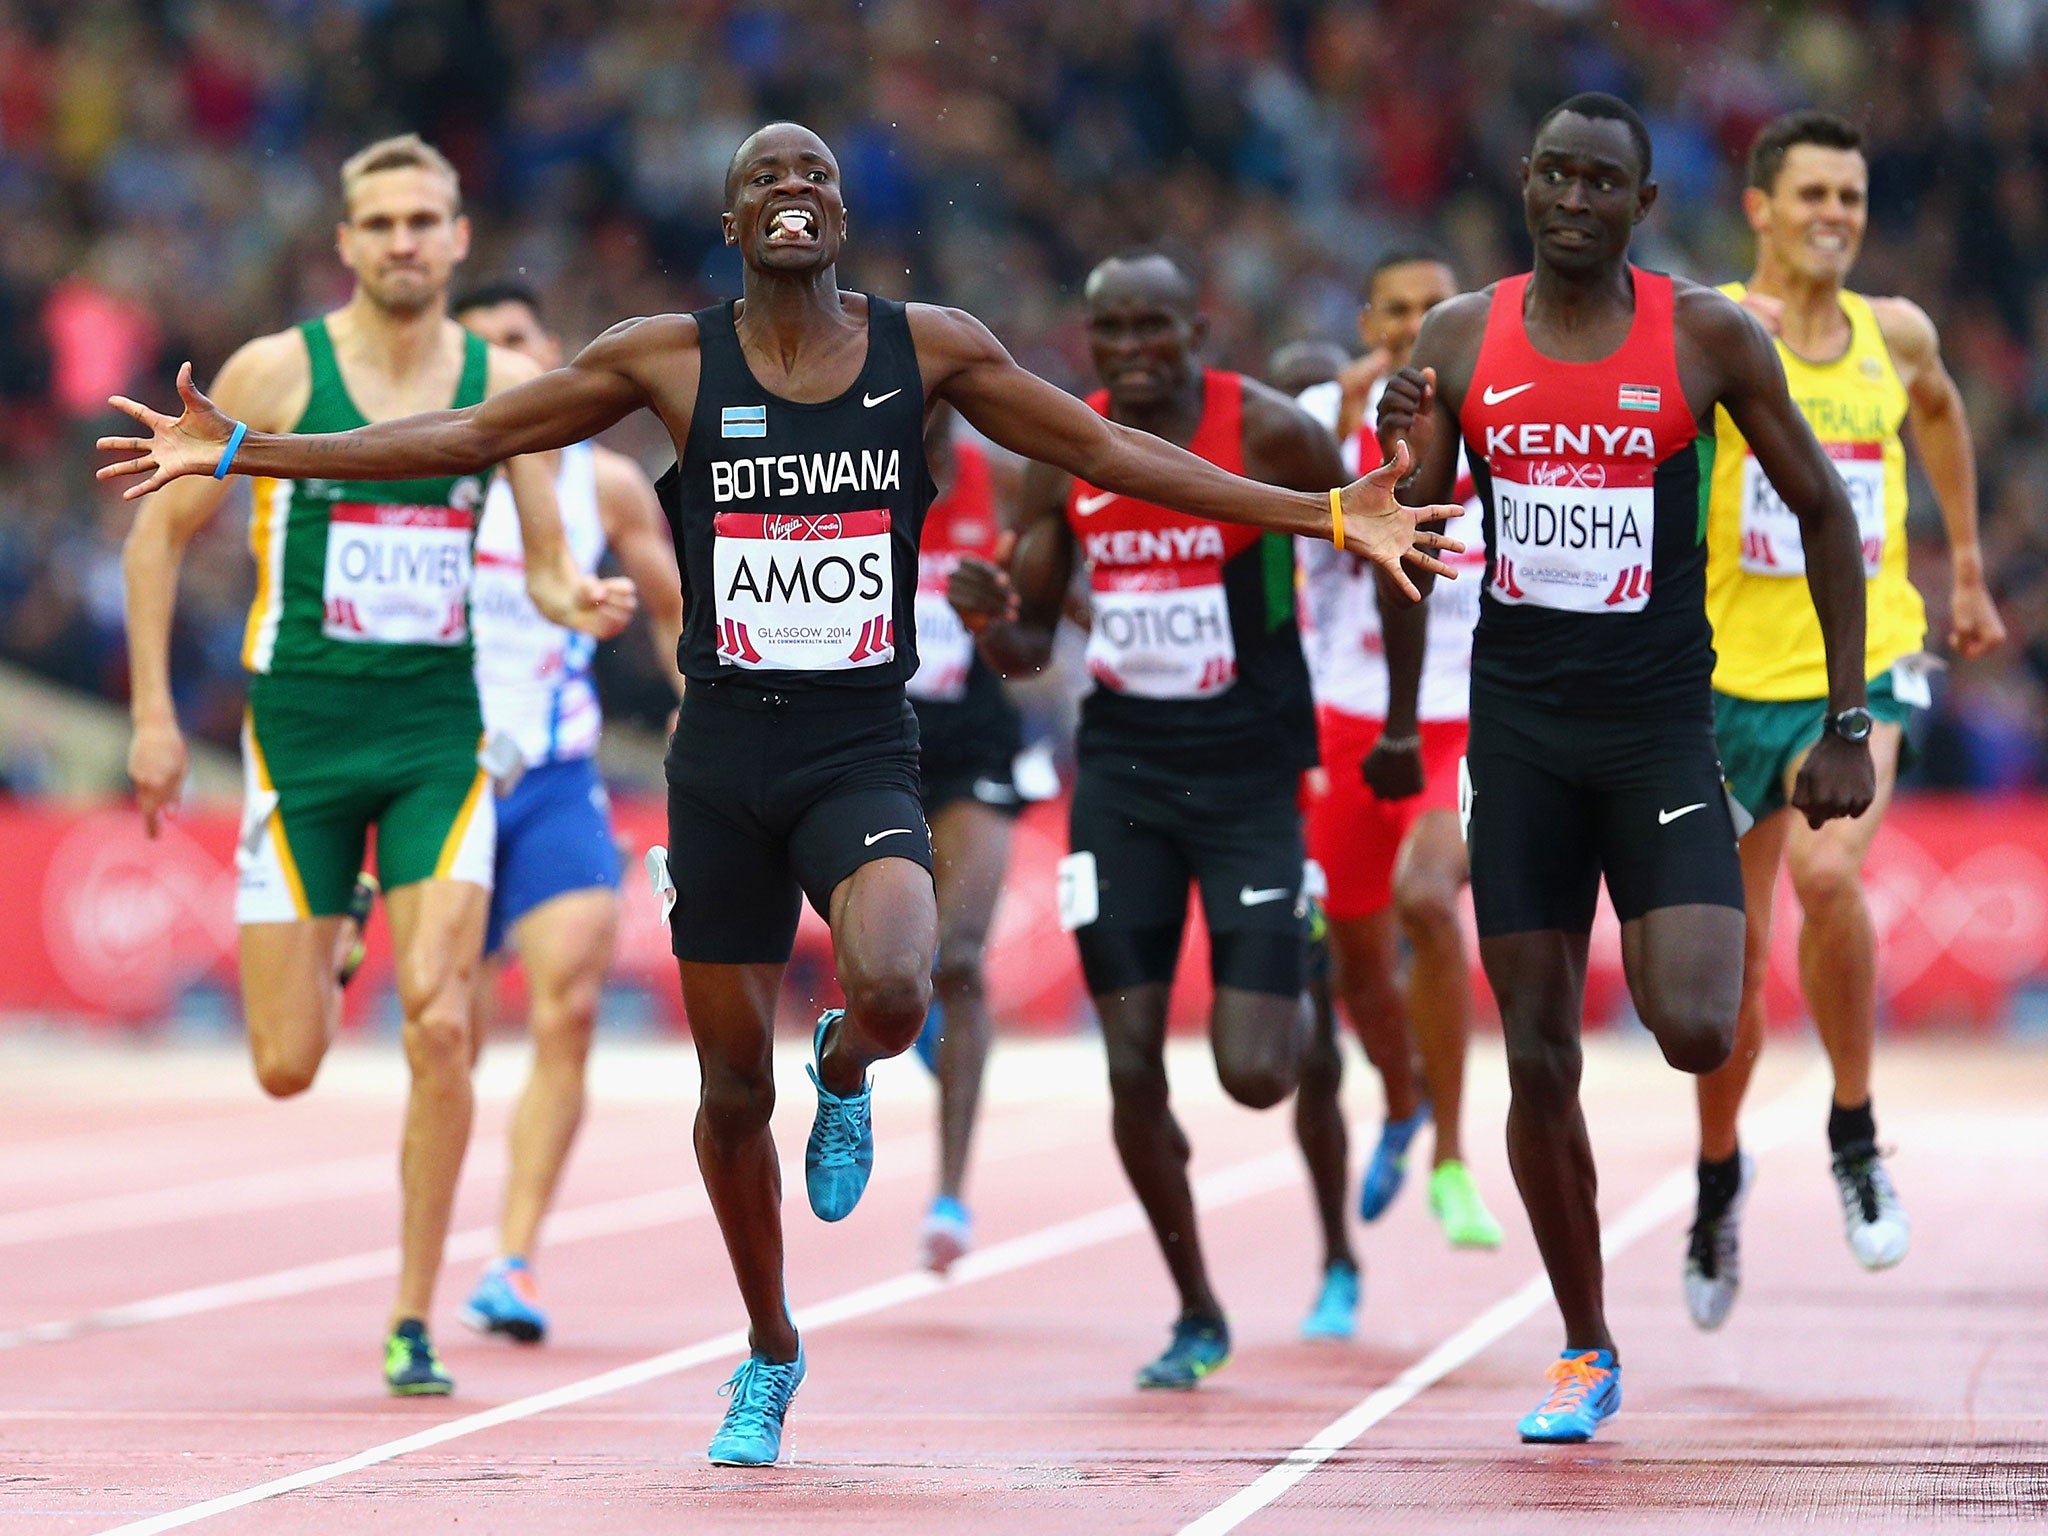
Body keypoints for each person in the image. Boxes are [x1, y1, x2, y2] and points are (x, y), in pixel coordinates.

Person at [99, 123, 1461, 1465]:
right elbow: (468, 434)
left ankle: (851, 1070)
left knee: (895, 984)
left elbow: (1108, 456)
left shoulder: (931, 349)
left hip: (861, 742)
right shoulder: (665, 359)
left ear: (842, 218)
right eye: (766, 183)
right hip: (725, 761)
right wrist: (248, 455)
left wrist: (1326, 513)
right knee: (729, 1092)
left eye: (814, 177)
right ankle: (768, 1345)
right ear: (735, 226)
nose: (793, 195)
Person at [1376, 93, 1875, 1444]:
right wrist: (1405, 721)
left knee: (1696, 1024)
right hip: (1521, 741)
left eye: (1605, 182)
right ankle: (1585, 1344)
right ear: (1526, 186)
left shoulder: (1704, 335)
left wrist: (1845, 719)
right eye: (1556, 175)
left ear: (1642, 206)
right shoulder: (1460, 337)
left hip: (1660, 732)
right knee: (1538, 1053)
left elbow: (1824, 508)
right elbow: (1408, 532)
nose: (1577, 200)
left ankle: (1716, 1162)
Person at [116, 135, 635, 1397]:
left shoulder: (506, 382)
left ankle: (410, 1318)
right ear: (344, 244)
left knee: (443, 1021)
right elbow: (155, 535)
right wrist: (149, 716)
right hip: (299, 750)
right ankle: (336, 899)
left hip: (433, 745)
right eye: (379, 222)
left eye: (424, 220)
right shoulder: (275, 374)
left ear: (459, 239)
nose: (403, 240)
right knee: (286, 1064)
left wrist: (577, 600)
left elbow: (552, 560)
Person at [949, 251, 1347, 1390]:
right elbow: (1029, 645)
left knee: (1257, 1073)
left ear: (1197, 328)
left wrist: (1403, 719)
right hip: (1122, 778)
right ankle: (1195, 1308)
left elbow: (1366, 545)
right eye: (1108, 329)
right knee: (1129, 1066)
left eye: (1151, 328)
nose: (1129, 350)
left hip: (1250, 778)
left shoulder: (1271, 436)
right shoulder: (1061, 452)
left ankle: (1302, 999)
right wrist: (995, 621)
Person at [1683, 111, 2007, 1329]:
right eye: (1810, 193)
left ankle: (1853, 1134)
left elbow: (1935, 408)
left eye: (1850, 197)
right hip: (1720, 683)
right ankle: (1718, 1179)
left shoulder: (1896, 333)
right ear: (1758, 208)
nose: (1833, 215)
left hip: (1858, 667)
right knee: (1716, 976)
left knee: (1828, 880)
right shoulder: (1705, 329)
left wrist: (1965, 564)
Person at [449, 280, 687, 1343]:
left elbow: (678, 621)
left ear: (550, 354)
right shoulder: (438, 474)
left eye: (517, 344)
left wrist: (705, 708)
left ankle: (513, 1257)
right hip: (443, 776)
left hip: (552, 773)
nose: (504, 360)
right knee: (443, 1028)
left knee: (570, 1010)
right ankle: (433, 1223)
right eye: (482, 348)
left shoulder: (608, 484)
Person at [1290, 251, 1505, 1352]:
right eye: (1398, 312)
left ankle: (1454, 1158)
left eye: (1436, 310)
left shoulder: (1497, 413)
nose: (1419, 327)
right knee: (1354, 964)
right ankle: (1404, 1097)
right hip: (1340, 716)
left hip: (1456, 716)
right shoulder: (1319, 422)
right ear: (1367, 324)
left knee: (1430, 903)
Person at [904, 402, 1025, 1274]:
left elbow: (1038, 641)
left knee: (964, 959)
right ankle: (906, 1008)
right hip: (872, 746)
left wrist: (1008, 616)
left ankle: (950, 1194)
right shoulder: (845, 471)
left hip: (974, 741)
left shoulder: (1003, 483)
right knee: (901, 971)